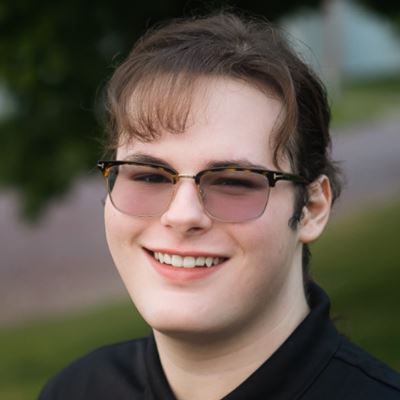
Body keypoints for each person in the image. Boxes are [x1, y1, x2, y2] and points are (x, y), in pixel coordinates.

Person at [39, 11, 400, 400]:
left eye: (233, 181)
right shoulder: (76, 390)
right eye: (149, 176)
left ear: (311, 209)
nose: (182, 215)